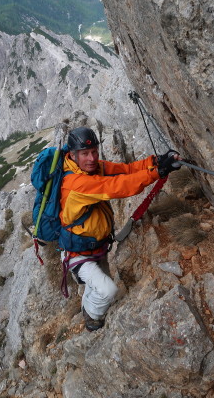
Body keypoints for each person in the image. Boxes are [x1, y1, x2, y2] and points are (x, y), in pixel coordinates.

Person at [60, 126, 181, 331]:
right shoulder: (76, 183)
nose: (91, 158)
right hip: (77, 254)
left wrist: (155, 162)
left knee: (99, 284)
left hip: (96, 246)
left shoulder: (93, 168)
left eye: (94, 152)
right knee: (107, 289)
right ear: (73, 155)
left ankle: (89, 306)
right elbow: (117, 187)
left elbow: (126, 171)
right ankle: (91, 318)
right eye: (85, 154)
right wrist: (157, 173)